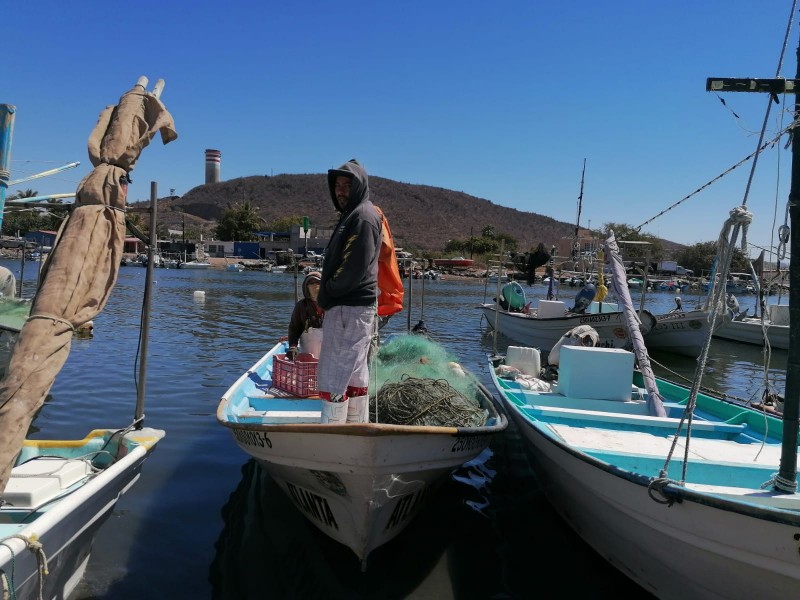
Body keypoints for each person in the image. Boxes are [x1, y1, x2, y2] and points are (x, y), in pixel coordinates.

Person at [316, 159, 382, 424]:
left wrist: (324, 295)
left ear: (359, 186)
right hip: (352, 309)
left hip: (349, 307)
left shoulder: (363, 217)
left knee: (335, 374)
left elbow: (352, 270)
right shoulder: (354, 214)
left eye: (347, 185)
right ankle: (354, 428)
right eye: (337, 186)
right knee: (353, 372)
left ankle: (333, 436)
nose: (341, 191)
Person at [286, 271, 324, 360]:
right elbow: (294, 329)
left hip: (328, 354)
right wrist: (293, 347)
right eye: (311, 283)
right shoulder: (301, 306)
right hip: (307, 355)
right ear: (307, 287)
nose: (315, 286)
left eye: (318, 282)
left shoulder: (331, 305)